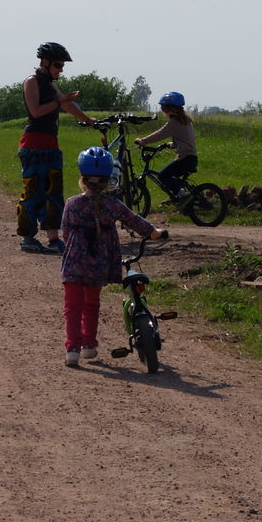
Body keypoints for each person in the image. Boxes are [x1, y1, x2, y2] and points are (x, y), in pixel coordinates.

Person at [59, 147, 166, 367]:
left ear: (83, 178)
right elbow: (134, 220)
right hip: (99, 264)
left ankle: (72, 349)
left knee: (73, 306)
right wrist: (153, 233)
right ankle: (89, 344)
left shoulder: (72, 204)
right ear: (109, 180)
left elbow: (66, 232)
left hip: (75, 263)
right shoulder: (112, 204)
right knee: (91, 304)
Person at [17, 42, 95, 254]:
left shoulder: (50, 85)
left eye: (62, 66)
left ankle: (53, 240)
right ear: (45, 62)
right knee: (34, 192)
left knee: (54, 194)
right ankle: (28, 238)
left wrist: (88, 120)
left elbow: (66, 105)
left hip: (51, 145)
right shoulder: (31, 82)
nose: (61, 69)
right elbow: (36, 111)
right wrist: (60, 101)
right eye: (58, 65)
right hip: (33, 145)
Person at [134, 91, 197, 208]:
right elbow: (185, 139)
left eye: (163, 109)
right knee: (171, 177)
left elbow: (160, 134)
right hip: (190, 158)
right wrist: (172, 144)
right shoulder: (186, 120)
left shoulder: (174, 122)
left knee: (163, 176)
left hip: (185, 158)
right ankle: (183, 197)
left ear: (170, 110)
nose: (163, 113)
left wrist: (144, 141)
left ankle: (183, 196)